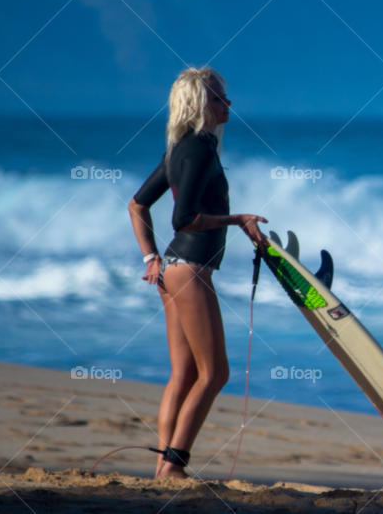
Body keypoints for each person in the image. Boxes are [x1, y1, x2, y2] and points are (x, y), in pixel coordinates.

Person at [128, 67, 268, 479]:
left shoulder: (181, 148)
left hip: (172, 269)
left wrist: (150, 258)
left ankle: (162, 468)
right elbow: (184, 219)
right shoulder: (199, 149)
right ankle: (174, 465)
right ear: (201, 104)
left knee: (185, 373)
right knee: (215, 373)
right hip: (188, 270)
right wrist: (238, 219)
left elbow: (137, 205)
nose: (229, 103)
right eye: (220, 98)